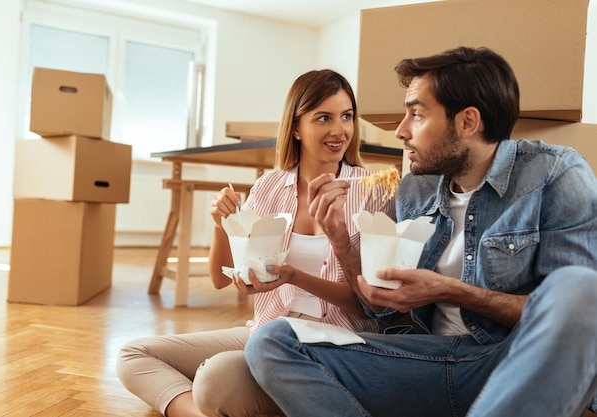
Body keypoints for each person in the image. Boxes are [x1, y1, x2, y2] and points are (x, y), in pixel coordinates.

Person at [244, 46, 597, 417]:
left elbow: (574, 314)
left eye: (416, 114)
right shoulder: (416, 189)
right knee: (272, 341)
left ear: (467, 122)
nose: (400, 130)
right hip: (422, 358)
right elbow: (376, 308)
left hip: (505, 360)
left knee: (581, 288)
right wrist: (338, 238)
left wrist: (451, 291)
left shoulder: (554, 176)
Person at [116, 69, 393, 417]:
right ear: (295, 127)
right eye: (324, 117)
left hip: (336, 343)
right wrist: (221, 224)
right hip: (267, 331)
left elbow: (371, 306)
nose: (339, 130)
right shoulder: (269, 187)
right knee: (134, 354)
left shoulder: (375, 190)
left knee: (215, 380)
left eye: (347, 116)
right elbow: (220, 278)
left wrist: (294, 276)